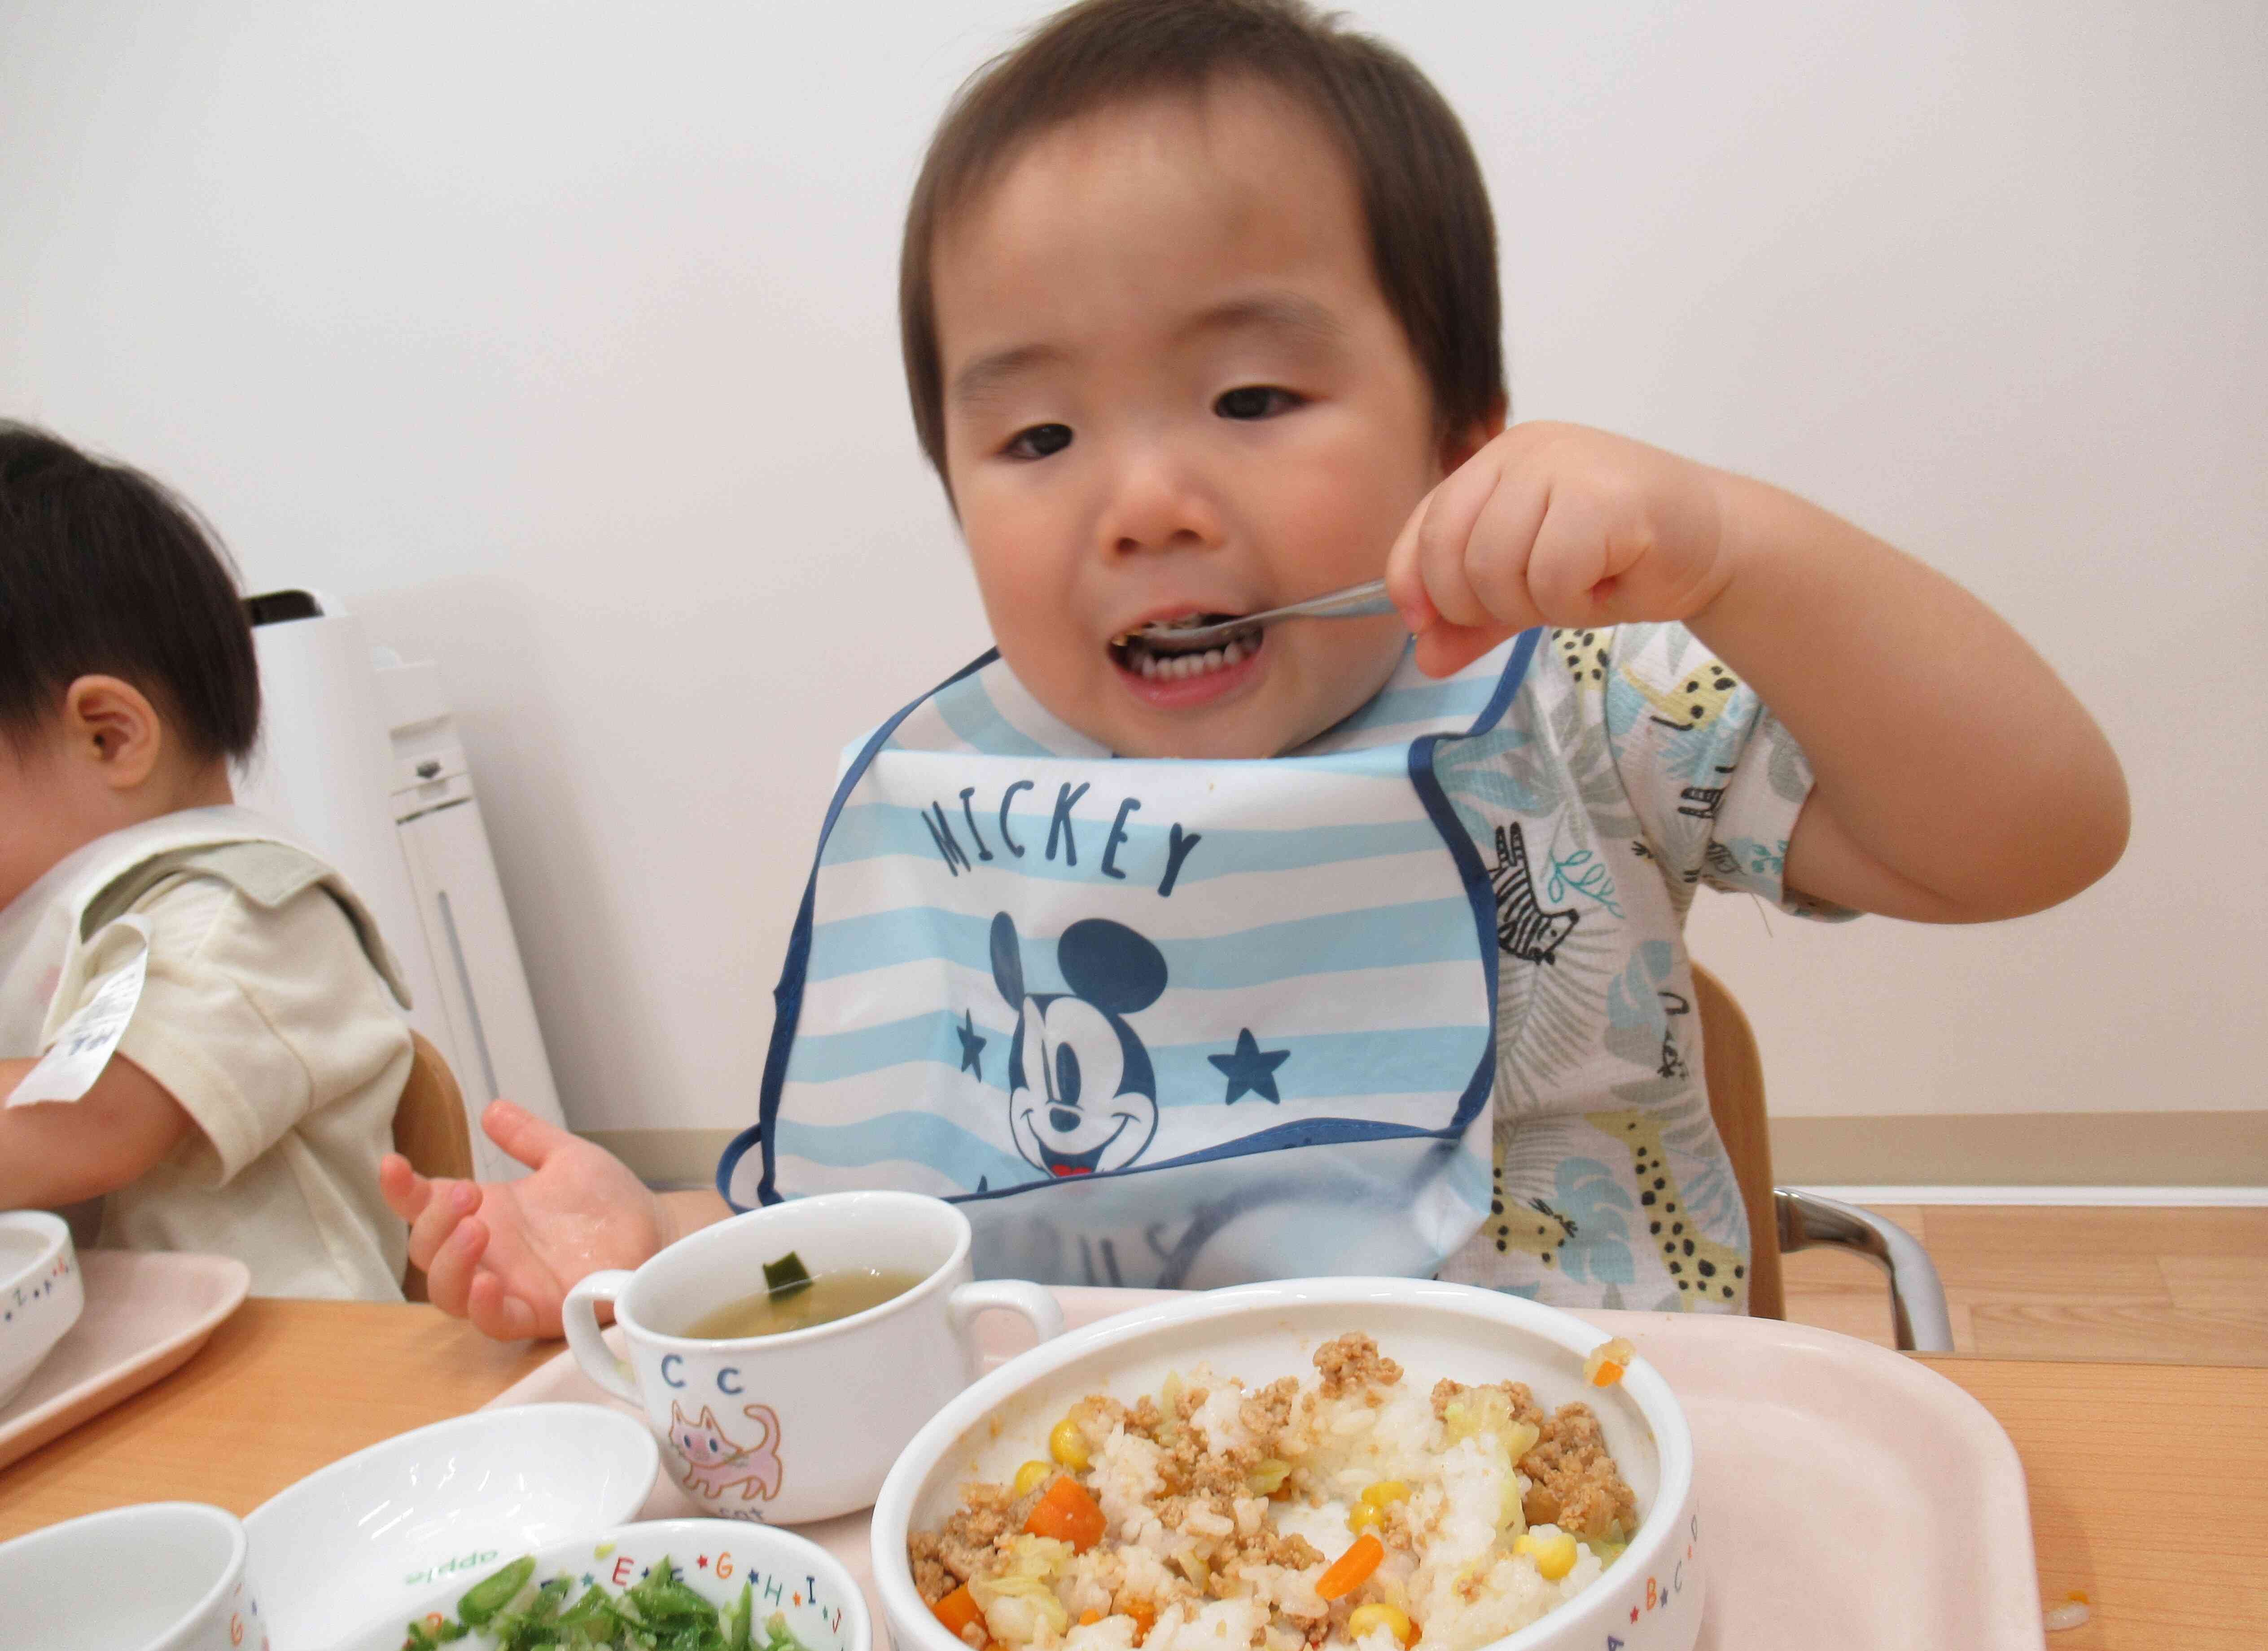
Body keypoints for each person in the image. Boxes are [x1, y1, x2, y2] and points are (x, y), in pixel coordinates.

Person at [384, 0, 2127, 1335]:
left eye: (1251, 401)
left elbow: (2036, 832)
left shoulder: (1567, 708)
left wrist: (1732, 550)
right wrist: (663, 1243)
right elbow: (906, 1205)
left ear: (1460, 441)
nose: (1145, 502)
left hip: (1602, 1500)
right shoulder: (974, 809)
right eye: (1040, 430)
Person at [0, 422, 416, 1300]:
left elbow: (93, 1118)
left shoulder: (231, 909)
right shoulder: (34, 927)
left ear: (109, 735)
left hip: (304, 1397)